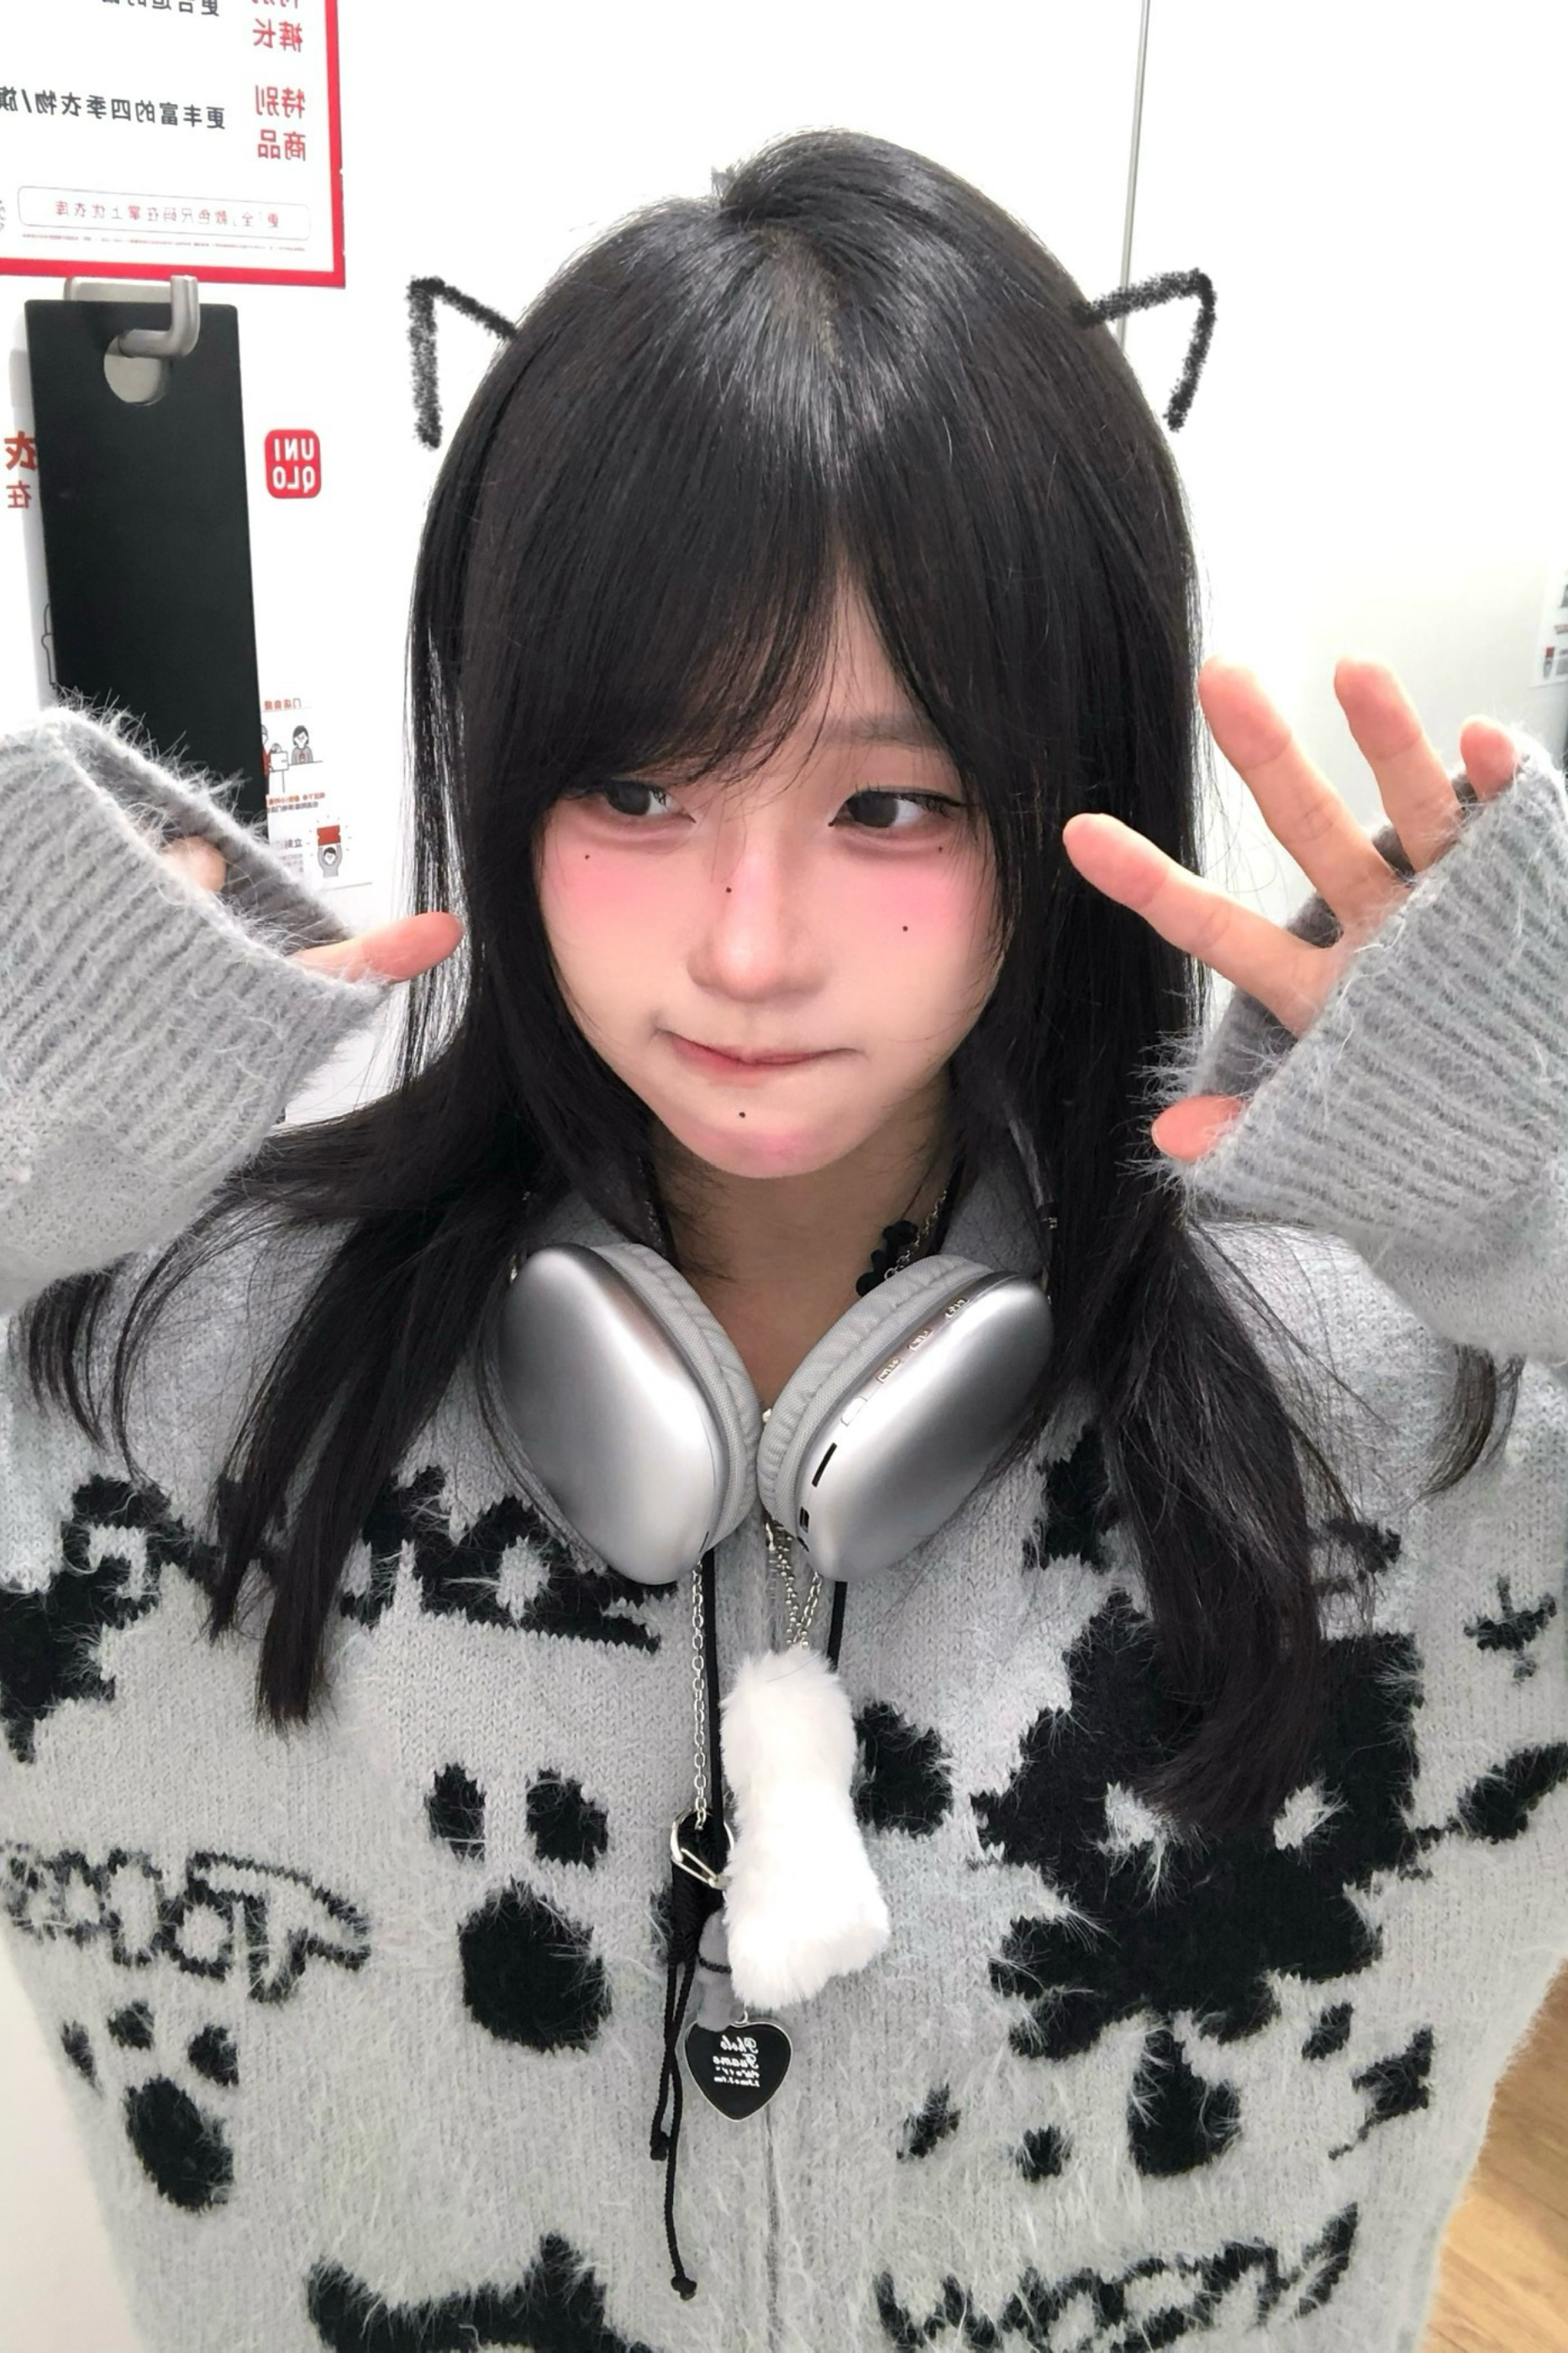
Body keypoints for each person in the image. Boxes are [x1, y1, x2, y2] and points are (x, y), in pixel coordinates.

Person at [3, 125, 1565, 2353]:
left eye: (891, 801)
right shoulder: (161, 1369)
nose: (748, 944)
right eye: (638, 790)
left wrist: (1540, 1188)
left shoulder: (1414, 1403)